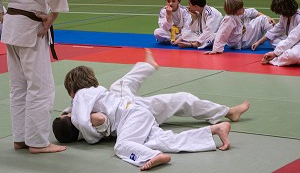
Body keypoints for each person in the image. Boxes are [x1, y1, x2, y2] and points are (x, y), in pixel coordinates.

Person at [53, 49, 250, 170]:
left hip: (129, 112)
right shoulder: (90, 98)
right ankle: (213, 131)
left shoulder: (82, 97)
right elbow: (78, 117)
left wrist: (93, 138)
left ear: (72, 89)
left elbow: (81, 121)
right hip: (135, 114)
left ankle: (151, 156)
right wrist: (67, 115)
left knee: (122, 146)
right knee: (164, 139)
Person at [0, 0, 69, 153]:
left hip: (12, 25)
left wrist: (1, 12)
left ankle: (21, 138)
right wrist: (54, 13)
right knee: (41, 88)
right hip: (32, 27)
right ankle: (38, 142)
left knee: (18, 87)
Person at [205, 0, 275, 54]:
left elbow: (253, 12)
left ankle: (277, 42)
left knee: (264, 18)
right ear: (235, 11)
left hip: (245, 38)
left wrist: (268, 17)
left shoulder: (238, 14)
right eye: (241, 8)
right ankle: (277, 44)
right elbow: (222, 34)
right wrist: (216, 49)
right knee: (263, 19)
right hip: (242, 43)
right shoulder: (229, 19)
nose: (243, 9)